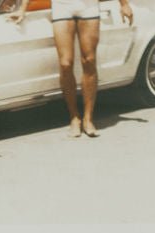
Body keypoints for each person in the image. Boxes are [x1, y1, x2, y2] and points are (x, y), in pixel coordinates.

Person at [9, 0, 134, 138]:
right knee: (65, 63)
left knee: (89, 60)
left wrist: (124, 4)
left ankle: (88, 118)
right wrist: (23, 9)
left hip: (89, 6)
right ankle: (74, 117)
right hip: (62, 6)